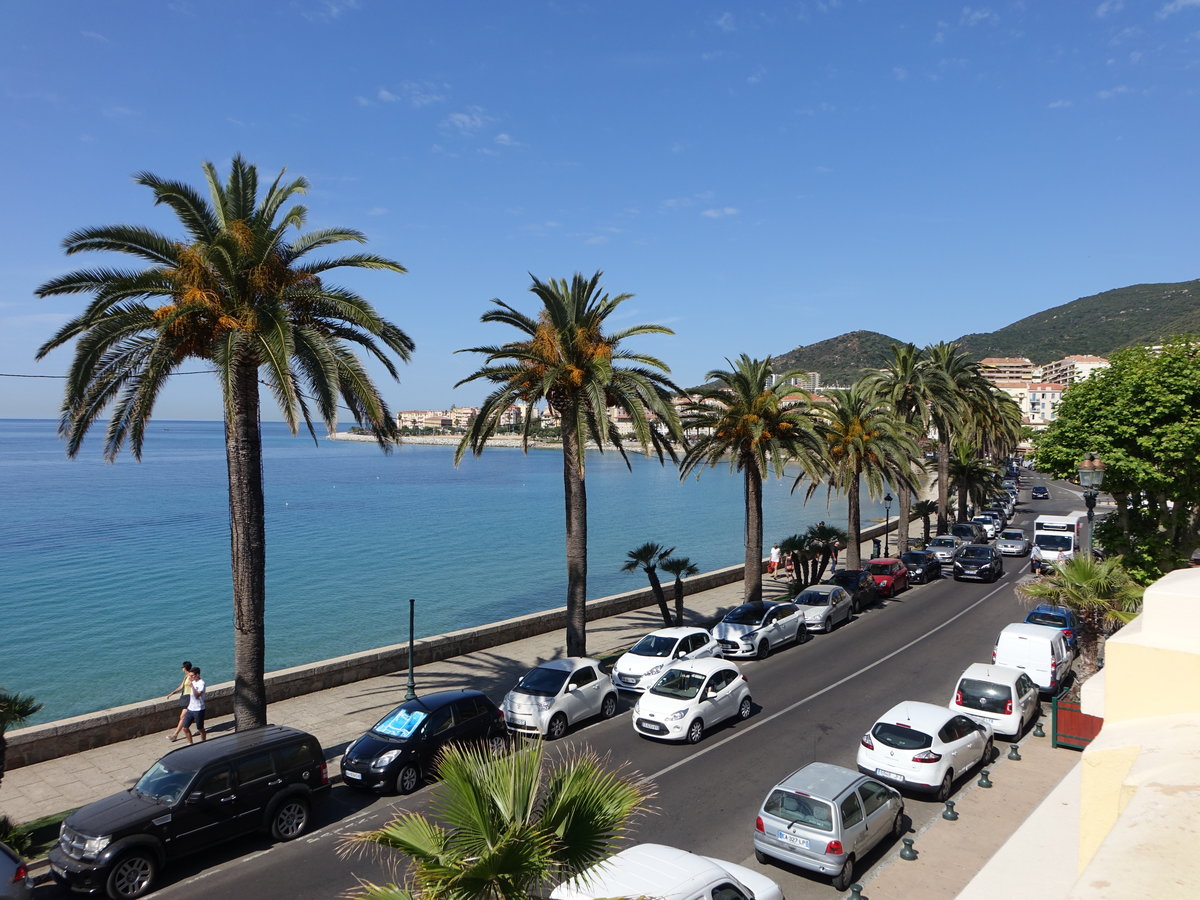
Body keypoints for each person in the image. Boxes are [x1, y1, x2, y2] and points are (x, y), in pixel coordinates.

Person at [166, 661, 193, 742]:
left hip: (190, 698)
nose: (182, 668)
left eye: (182, 667)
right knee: (186, 716)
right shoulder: (186, 676)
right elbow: (181, 686)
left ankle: (175, 735)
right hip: (185, 698)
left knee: (182, 717)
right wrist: (172, 693)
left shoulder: (192, 676)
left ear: (185, 668)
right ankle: (200, 728)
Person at [181, 667, 207, 744]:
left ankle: (203, 742)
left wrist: (192, 686)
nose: (190, 677)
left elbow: (197, 695)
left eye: (192, 675)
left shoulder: (201, 683)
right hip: (190, 708)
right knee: (185, 728)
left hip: (199, 709)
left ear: (197, 675)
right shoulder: (193, 681)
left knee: (200, 728)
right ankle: (190, 743)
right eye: (190, 676)